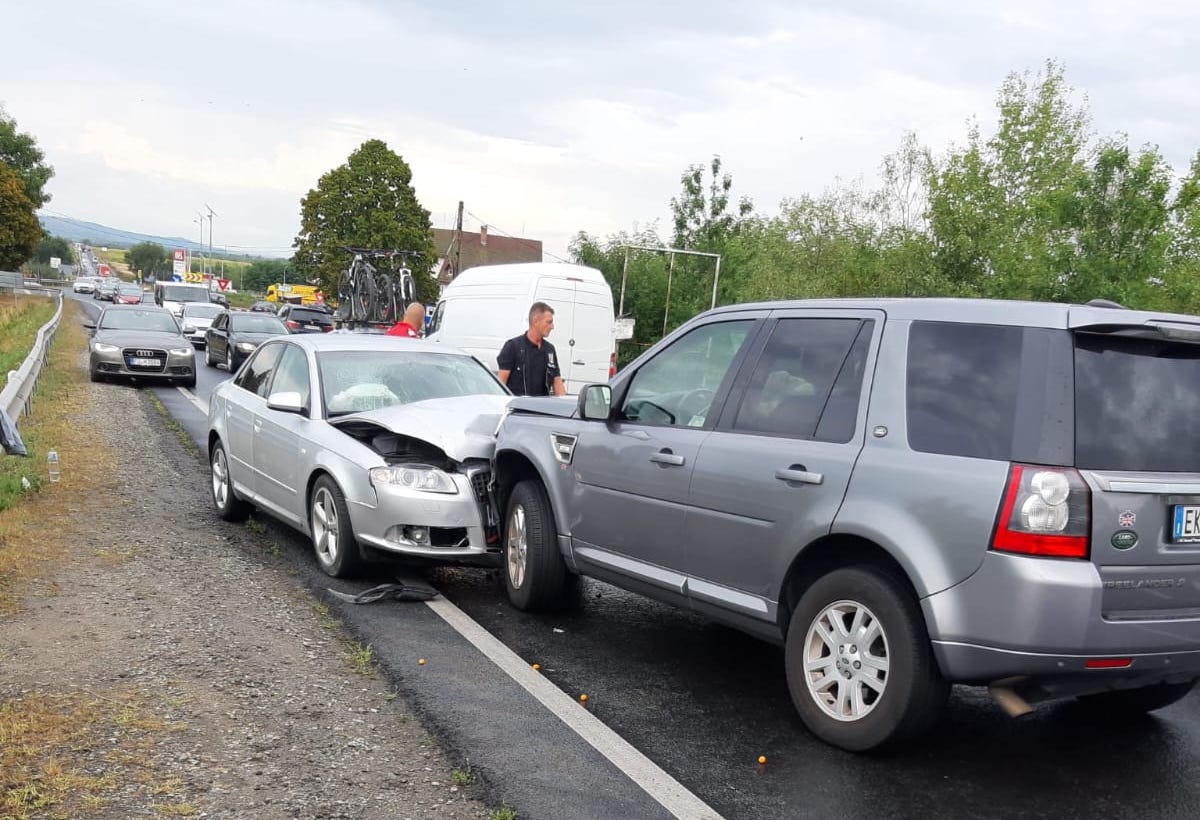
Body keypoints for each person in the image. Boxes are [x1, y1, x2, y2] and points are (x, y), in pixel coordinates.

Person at [496, 302, 566, 396]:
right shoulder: (513, 346)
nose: (552, 327)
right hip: (519, 408)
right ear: (535, 321)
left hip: (542, 408)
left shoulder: (550, 350)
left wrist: (564, 405)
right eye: (549, 322)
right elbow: (500, 383)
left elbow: (557, 381)